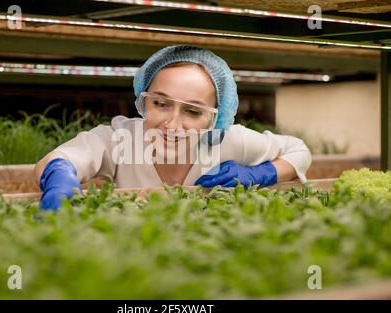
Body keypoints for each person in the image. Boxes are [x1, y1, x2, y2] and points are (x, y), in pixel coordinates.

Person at [35, 45, 312, 211]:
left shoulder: (225, 142)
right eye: (160, 104)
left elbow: (298, 150)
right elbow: (62, 158)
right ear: (144, 100)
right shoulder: (121, 139)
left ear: (215, 119)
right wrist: (59, 177)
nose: (172, 124)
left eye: (193, 111)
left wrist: (260, 173)